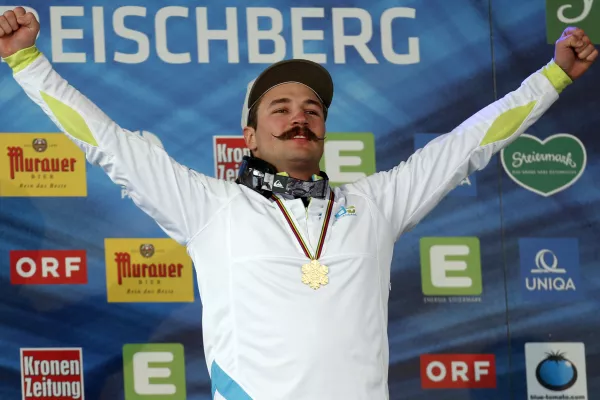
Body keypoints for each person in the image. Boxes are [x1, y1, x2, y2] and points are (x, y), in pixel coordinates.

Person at [1, 6, 597, 400]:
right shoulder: (210, 207)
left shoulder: (377, 201)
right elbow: (106, 142)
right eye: (279, 109)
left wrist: (553, 78)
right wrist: (27, 61)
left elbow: (469, 143)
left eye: (313, 109)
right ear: (250, 138)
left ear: (324, 134)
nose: (300, 117)